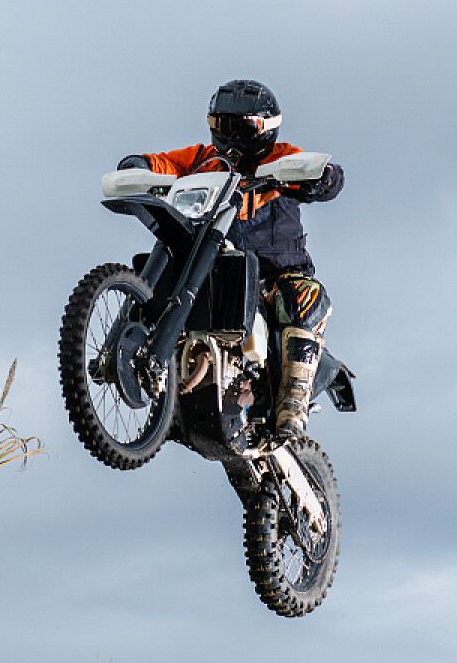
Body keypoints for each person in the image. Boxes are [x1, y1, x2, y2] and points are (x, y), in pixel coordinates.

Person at [118, 79, 344, 437]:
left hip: (275, 274)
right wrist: (136, 166)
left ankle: (292, 405)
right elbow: (161, 163)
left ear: (266, 128)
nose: (235, 138)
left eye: (245, 128)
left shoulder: (282, 157)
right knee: (163, 275)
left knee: (299, 296)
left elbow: (321, 174)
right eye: (225, 127)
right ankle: (147, 368)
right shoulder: (202, 159)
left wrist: (322, 178)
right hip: (212, 265)